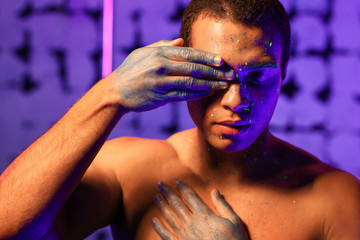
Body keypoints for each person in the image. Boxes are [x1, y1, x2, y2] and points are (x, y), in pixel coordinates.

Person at [1, 0, 359, 239]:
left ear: (283, 72)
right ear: (182, 65)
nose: (235, 101)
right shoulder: (132, 170)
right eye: (214, 75)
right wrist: (108, 95)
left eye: (258, 77)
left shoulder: (335, 199)